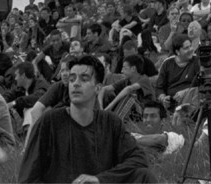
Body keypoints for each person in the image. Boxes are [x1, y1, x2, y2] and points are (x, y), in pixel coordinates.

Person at [18, 54, 154, 183]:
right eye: (72, 79)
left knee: (143, 175)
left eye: (84, 79)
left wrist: (101, 180)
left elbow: (139, 159)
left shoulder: (110, 122)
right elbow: (27, 178)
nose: (76, 84)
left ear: (98, 88)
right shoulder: (49, 122)